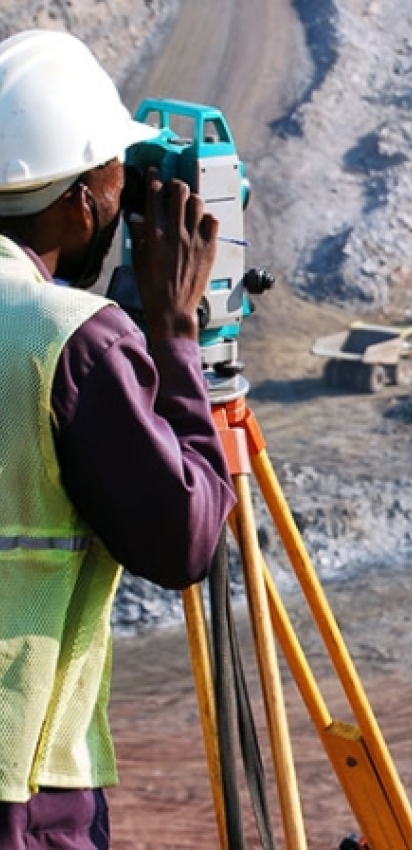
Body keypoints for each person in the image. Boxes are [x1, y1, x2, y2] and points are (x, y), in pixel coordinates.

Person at [0, 29, 235, 848]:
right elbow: (187, 540)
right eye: (115, 174)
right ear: (82, 199)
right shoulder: (71, 339)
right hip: (21, 783)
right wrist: (173, 334)